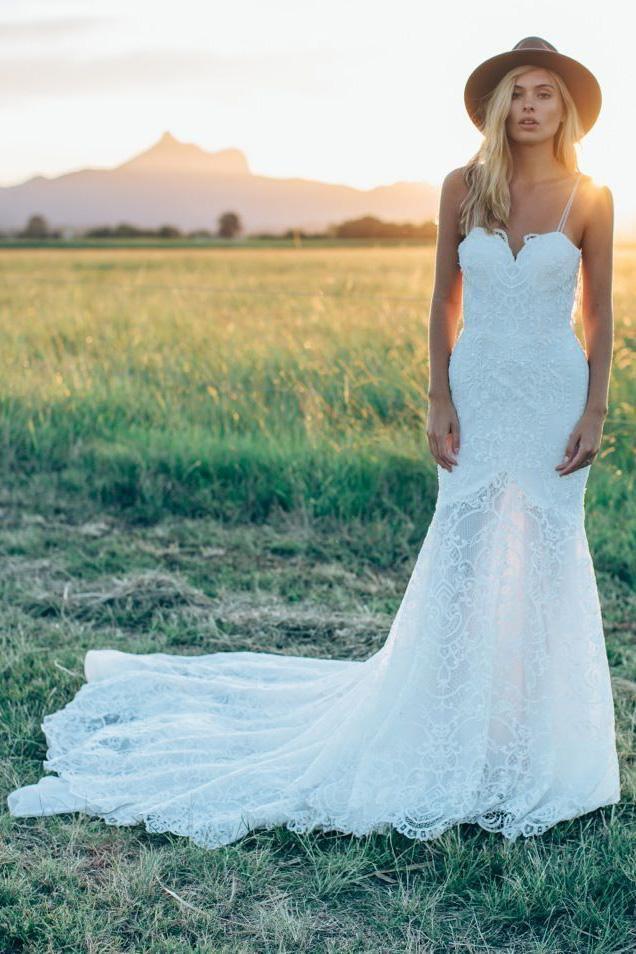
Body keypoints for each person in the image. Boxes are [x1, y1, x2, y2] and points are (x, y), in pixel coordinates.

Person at [7, 37, 620, 848]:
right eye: (520, 92)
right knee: (466, 548)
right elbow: (443, 299)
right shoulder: (463, 187)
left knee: (544, 553)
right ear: (501, 107)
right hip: (477, 391)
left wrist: (596, 410)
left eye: (546, 92)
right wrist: (437, 394)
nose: (532, 104)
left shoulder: (592, 195)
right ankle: (448, 723)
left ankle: (536, 741)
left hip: (550, 394)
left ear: (566, 110)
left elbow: (602, 315)